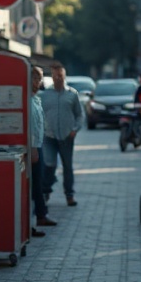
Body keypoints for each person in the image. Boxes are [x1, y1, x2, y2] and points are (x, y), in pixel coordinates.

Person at [40, 62, 84, 207]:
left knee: (67, 167)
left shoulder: (72, 94)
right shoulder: (45, 95)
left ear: (64, 76)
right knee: (49, 165)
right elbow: (39, 114)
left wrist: (75, 129)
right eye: (55, 75)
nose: (58, 78)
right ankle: (46, 192)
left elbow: (80, 115)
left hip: (67, 136)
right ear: (51, 77)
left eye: (60, 75)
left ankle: (69, 195)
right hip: (49, 137)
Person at [29, 65, 56, 236]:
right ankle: (37, 217)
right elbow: (30, 126)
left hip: (39, 144)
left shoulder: (35, 98)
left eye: (40, 78)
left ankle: (40, 214)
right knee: (34, 185)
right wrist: (33, 148)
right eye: (35, 77)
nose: (38, 82)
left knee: (38, 183)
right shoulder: (25, 98)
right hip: (33, 147)